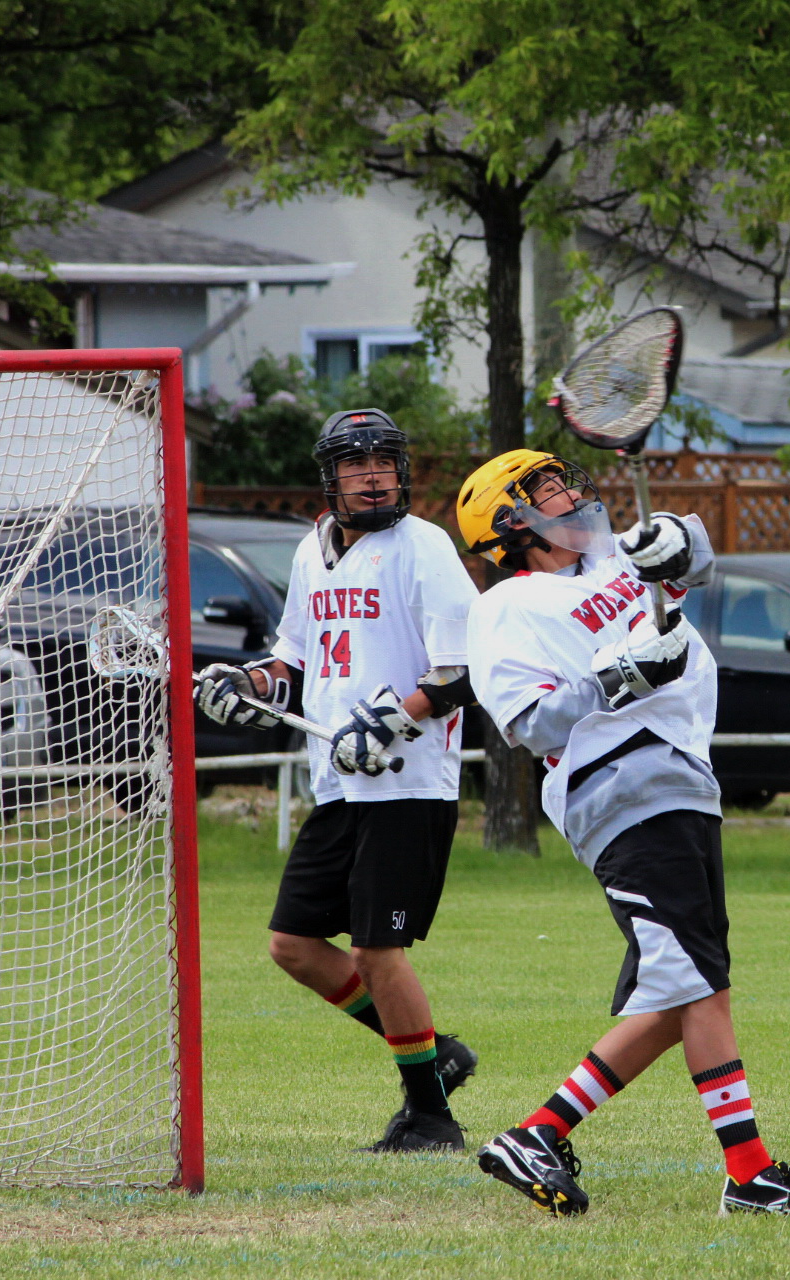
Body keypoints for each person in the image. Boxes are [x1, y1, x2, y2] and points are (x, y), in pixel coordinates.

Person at [455, 448, 790, 1217]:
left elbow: (691, 558)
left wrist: (676, 536)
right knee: (697, 984)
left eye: (566, 480)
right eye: (548, 489)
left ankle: (539, 1133)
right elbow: (527, 723)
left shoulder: (607, 558)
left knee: (688, 990)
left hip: (681, 778)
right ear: (511, 520)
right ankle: (747, 1173)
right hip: (621, 784)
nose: (571, 493)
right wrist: (626, 673)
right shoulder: (504, 607)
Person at [195, 408, 479, 1153]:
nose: (373, 473)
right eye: (356, 463)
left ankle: (430, 1115)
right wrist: (248, 682)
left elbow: (461, 671)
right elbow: (293, 654)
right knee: (292, 943)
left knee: (377, 952)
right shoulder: (309, 551)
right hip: (339, 783)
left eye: (385, 459)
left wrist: (392, 720)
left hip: (405, 782)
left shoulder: (425, 547)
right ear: (331, 478)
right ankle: (434, 1053)